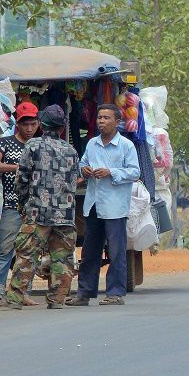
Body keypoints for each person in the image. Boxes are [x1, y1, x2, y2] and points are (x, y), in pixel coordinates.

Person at [6, 105, 79, 309]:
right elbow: (73, 183)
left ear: (42, 124)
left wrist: (22, 204)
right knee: (62, 259)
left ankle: (15, 298)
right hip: (65, 214)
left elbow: (22, 179)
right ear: (62, 128)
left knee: (27, 255)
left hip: (38, 212)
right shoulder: (71, 150)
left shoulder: (33, 145)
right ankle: (57, 299)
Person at [67, 103, 140, 306]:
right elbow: (82, 164)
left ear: (117, 122)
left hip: (115, 207)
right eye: (99, 117)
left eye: (106, 118)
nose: (101, 121)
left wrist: (112, 172)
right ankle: (84, 292)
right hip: (93, 205)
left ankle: (115, 292)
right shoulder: (92, 144)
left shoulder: (126, 145)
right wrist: (85, 171)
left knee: (116, 251)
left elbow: (135, 172)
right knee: (90, 251)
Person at [0, 102, 41, 307]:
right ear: (18, 124)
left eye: (33, 124)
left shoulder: (40, 144)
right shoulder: (6, 143)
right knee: (4, 251)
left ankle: (24, 291)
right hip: (11, 205)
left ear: (38, 124)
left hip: (35, 207)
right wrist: (17, 167)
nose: (29, 128)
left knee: (29, 252)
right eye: (25, 124)